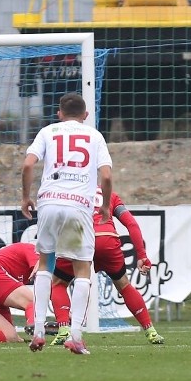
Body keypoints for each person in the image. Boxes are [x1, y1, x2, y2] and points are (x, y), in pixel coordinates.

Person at [21, 92, 113, 355]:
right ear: (85, 115)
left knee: (45, 263)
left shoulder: (48, 131)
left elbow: (28, 165)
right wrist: (105, 205)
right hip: (78, 206)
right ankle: (76, 336)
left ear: (59, 113)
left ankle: (38, 331)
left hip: (49, 203)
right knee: (82, 268)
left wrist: (26, 197)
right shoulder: (94, 136)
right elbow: (105, 176)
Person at [49, 188, 164, 345]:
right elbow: (131, 223)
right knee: (124, 285)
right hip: (106, 238)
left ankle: (64, 328)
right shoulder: (110, 195)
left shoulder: (70, 192)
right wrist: (142, 255)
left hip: (78, 237)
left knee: (58, 284)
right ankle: (150, 331)